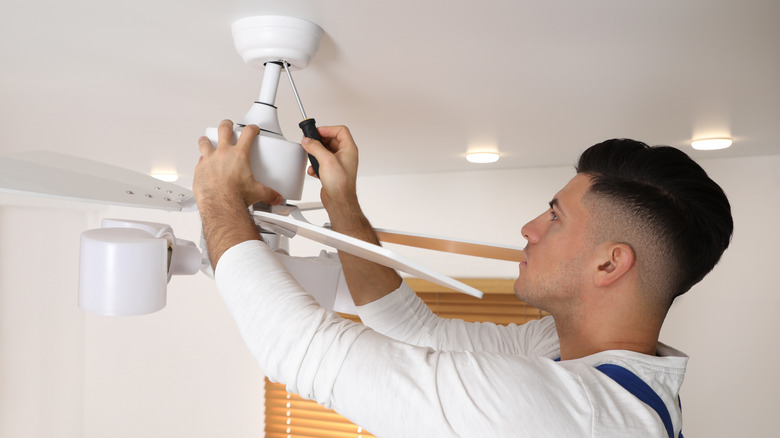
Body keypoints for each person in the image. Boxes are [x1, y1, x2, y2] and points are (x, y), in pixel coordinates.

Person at [193, 120, 732, 437]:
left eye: (555, 216)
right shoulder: (580, 357)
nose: (529, 228)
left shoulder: (570, 413)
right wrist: (341, 200)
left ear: (609, 264)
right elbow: (415, 332)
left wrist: (218, 199)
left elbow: (301, 351)